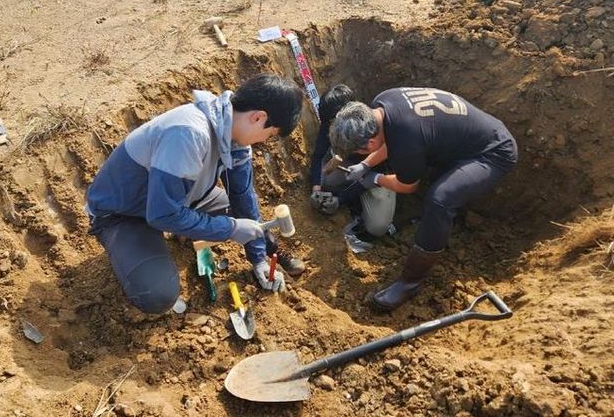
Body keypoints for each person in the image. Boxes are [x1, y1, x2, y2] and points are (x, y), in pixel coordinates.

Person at [85, 73, 306, 314]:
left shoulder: (235, 136)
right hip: (125, 213)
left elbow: (243, 198)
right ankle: (141, 248)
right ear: (258, 117)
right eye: (270, 134)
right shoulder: (189, 134)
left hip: (181, 197)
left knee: (245, 216)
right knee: (157, 294)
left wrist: (258, 258)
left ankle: (268, 249)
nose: (264, 140)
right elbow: (163, 215)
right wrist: (231, 228)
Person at [330, 87, 517, 311]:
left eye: (361, 152)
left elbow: (407, 185)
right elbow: (392, 138)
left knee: (440, 200)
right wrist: (366, 163)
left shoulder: (406, 143)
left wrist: (375, 178)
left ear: (368, 144)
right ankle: (441, 220)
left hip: (493, 152)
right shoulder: (384, 102)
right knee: (435, 180)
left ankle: (410, 282)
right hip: (472, 137)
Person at [309, 84, 396, 240]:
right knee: (326, 181)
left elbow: (371, 177)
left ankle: (362, 212)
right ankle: (353, 205)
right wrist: (316, 188)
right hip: (354, 168)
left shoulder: (371, 129)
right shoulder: (331, 120)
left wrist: (341, 200)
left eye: (334, 122)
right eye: (330, 123)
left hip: (377, 176)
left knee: (377, 227)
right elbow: (319, 155)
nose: (332, 127)